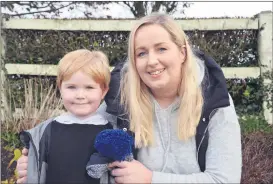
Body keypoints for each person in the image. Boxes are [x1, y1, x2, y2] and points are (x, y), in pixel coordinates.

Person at [16, 13, 242, 183]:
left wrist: (151, 178)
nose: (151, 61)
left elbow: (224, 180)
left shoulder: (214, 101)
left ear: (182, 52)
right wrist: (35, 163)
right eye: (141, 53)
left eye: (161, 49)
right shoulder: (120, 100)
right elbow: (79, 131)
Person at [17, 49, 113, 184]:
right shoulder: (45, 131)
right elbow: (32, 172)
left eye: (89, 87)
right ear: (60, 88)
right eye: (71, 87)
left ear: (103, 91)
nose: (80, 95)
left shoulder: (112, 132)